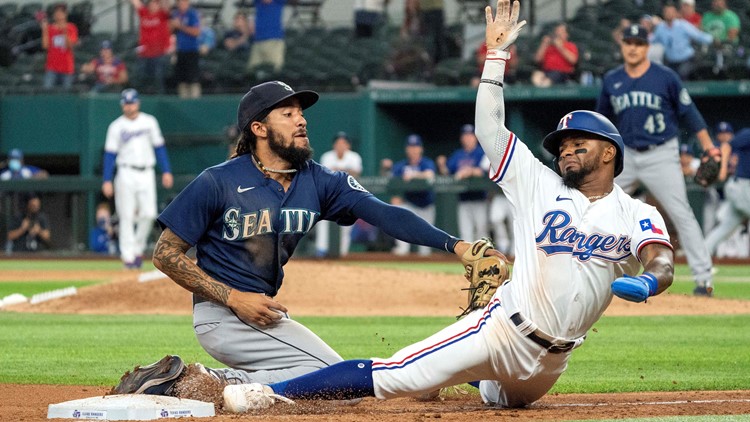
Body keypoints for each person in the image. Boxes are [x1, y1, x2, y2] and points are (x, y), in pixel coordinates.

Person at [200, 1, 675, 410]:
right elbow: (490, 131)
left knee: (494, 398)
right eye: (562, 143)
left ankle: (445, 369)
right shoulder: (540, 184)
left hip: (551, 364)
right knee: (393, 375)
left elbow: (663, 259)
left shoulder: (636, 213)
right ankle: (262, 394)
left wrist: (650, 280)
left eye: (579, 143)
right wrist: (496, 57)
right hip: (502, 330)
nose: (566, 149)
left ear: (609, 151)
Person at [111, 80, 478, 394]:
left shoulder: (320, 180)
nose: (301, 119)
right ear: (259, 128)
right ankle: (194, 383)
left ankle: (200, 382)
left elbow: (385, 214)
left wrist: (457, 245)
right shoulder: (218, 180)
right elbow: (165, 253)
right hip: (222, 316)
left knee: (336, 381)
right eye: (286, 114)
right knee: (341, 383)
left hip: (262, 317)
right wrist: (232, 297)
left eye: (300, 112)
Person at [595, 24, 719, 297]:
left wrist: (710, 148)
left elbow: (691, 114)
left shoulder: (665, 77)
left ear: (647, 47)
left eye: (638, 43)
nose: (633, 47)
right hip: (625, 154)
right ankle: (585, 273)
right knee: (594, 209)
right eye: (628, 42)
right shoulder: (612, 80)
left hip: (661, 153)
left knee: (681, 213)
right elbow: (600, 123)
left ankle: (704, 279)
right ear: (622, 46)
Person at [102, 89, 173, 269]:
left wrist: (166, 171)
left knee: (149, 214)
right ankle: (128, 256)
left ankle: (137, 248)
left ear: (138, 103)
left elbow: (159, 147)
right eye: (126, 103)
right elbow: (110, 154)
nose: (129, 106)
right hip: (125, 171)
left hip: (146, 171)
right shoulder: (116, 126)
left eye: (132, 102)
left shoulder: (149, 122)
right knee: (125, 215)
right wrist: (106, 179)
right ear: (122, 105)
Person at [314, 132, 363, 257]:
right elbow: (325, 175)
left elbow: (356, 173)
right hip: (328, 196)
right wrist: (344, 171)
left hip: (348, 196)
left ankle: (342, 254)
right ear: (334, 145)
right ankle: (321, 250)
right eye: (338, 142)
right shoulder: (327, 156)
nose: (341, 145)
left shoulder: (354, 157)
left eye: (343, 143)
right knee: (323, 221)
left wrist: (337, 170)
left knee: (346, 225)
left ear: (348, 145)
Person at [437, 124, 489, 242]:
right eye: (465, 135)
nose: (467, 138)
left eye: (470, 135)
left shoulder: (482, 152)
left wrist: (469, 171)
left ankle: (485, 258)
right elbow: (448, 173)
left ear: (475, 137)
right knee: (466, 232)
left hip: (480, 198)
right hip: (463, 199)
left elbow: (483, 171)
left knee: (481, 230)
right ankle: (469, 259)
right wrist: (442, 165)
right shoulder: (458, 154)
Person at [705, 122, 750, 256]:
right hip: (741, 186)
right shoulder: (747, 133)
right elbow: (726, 146)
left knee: (725, 227)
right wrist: (723, 169)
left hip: (742, 187)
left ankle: (702, 255)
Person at [390, 134, 437, 256]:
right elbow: (392, 182)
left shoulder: (426, 163)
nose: (413, 149)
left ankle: (426, 269)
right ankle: (402, 250)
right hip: (409, 203)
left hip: (426, 205)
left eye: (416, 146)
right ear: (407, 149)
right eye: (411, 147)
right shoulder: (401, 165)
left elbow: (430, 174)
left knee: (425, 246)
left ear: (421, 149)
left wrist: (414, 175)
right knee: (398, 208)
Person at [651, 3, 713, 80]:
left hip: (686, 59)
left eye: (671, 12)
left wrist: (712, 40)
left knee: (682, 74)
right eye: (667, 12)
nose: (669, 14)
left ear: (676, 13)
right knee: (667, 77)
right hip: (670, 61)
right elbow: (652, 41)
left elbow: (698, 35)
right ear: (663, 14)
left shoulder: (683, 25)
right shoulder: (660, 28)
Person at [129, 0, 171, 94]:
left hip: (158, 54)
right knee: (140, 78)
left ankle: (160, 101)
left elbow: (167, 5)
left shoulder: (162, 15)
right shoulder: (144, 13)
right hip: (144, 54)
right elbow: (136, 3)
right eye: (151, 3)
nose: (153, 6)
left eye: (156, 4)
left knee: (158, 79)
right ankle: (141, 99)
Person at [40, 3, 79, 90]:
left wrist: (64, 31)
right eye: (56, 13)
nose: (58, 15)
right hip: (52, 67)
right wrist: (44, 30)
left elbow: (70, 46)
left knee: (66, 94)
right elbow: (45, 46)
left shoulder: (71, 27)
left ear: (65, 14)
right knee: (47, 91)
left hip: (67, 68)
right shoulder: (50, 28)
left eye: (61, 13)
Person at [170, 0, 202, 98]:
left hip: (191, 51)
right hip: (180, 51)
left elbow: (196, 32)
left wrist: (180, 26)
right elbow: (169, 31)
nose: (182, 4)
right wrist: (172, 25)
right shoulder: (175, 14)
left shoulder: (192, 14)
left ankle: (195, 101)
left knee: (193, 80)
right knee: (181, 81)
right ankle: (183, 101)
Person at [246, 0, 286, 73]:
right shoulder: (258, 2)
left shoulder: (278, 2)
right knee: (251, 71)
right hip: (258, 41)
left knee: (275, 71)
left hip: (274, 41)